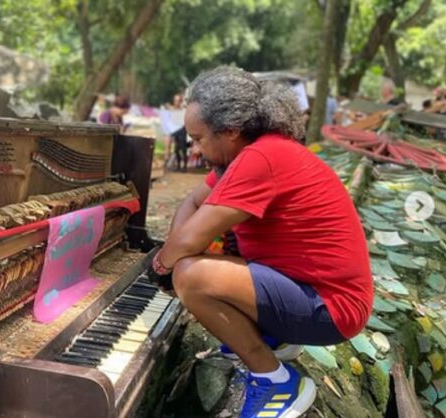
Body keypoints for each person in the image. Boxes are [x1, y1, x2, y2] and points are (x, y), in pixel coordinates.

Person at [145, 67, 373, 418]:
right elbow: (192, 203)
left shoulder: (261, 158)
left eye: (199, 138)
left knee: (191, 275)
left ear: (231, 131)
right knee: (192, 258)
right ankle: (274, 337)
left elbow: (189, 239)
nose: (194, 146)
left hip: (332, 308)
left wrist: (162, 264)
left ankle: (274, 380)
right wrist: (173, 251)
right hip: (310, 289)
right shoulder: (246, 155)